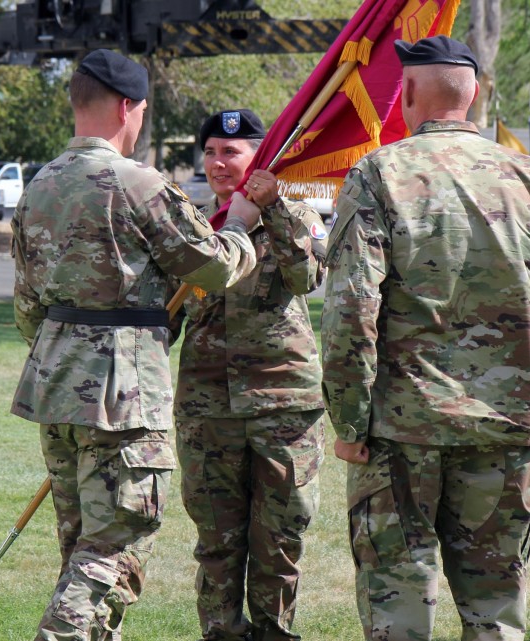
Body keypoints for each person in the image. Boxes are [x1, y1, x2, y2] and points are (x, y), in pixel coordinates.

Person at [10, 50, 261, 641]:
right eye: (143, 112)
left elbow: (26, 305)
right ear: (128, 108)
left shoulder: (39, 184)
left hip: (54, 382)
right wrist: (241, 225)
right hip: (121, 391)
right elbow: (216, 269)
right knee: (118, 537)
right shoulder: (139, 182)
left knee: (80, 544)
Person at [321, 35, 530, 641]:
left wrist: (349, 422)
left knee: (398, 611)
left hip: (402, 432)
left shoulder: (378, 174)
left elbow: (351, 309)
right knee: (497, 611)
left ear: (404, 95)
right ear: (474, 94)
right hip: (505, 424)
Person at [172, 109, 328, 641]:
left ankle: (275, 634)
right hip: (207, 409)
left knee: (279, 542)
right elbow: (162, 318)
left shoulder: (299, 215)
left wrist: (274, 207)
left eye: (232, 153)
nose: (219, 163)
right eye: (211, 151)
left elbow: (306, 276)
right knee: (216, 543)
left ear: (259, 159)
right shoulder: (192, 226)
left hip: (283, 407)